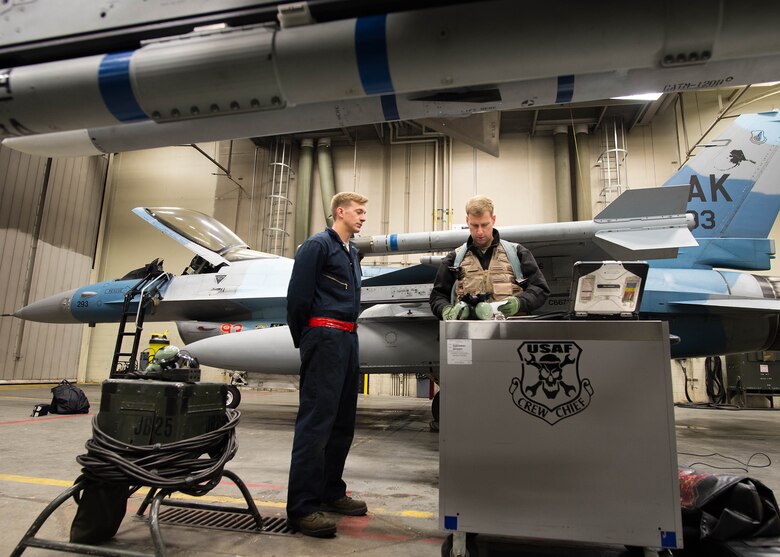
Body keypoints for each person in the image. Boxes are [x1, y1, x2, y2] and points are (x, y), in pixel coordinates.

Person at [285, 191, 369, 538]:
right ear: (340, 211)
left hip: (348, 340)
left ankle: (330, 491)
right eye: (359, 212)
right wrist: (306, 339)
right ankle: (302, 508)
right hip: (324, 337)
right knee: (316, 423)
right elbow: (297, 298)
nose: (363, 217)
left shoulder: (352, 253)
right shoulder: (317, 246)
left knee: (343, 422)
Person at [430, 195, 550, 321]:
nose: (480, 231)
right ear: (467, 221)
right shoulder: (454, 259)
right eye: (475, 225)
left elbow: (540, 289)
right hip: (469, 333)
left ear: (493, 219)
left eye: (485, 225)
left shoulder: (517, 253)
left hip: (511, 333)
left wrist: (520, 303)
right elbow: (437, 295)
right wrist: (445, 310)